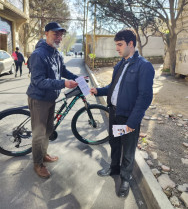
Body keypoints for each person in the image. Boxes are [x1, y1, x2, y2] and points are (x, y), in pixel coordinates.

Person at [90, 29, 155, 198]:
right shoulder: (120, 64)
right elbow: (113, 88)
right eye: (116, 45)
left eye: (119, 45)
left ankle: (125, 179)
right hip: (114, 113)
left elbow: (145, 98)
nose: (117, 48)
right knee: (115, 144)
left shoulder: (144, 66)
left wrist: (132, 122)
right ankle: (114, 169)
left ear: (131, 44)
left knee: (128, 150)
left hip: (128, 117)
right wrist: (98, 90)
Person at [27, 22, 78, 179]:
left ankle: (43, 154)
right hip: (39, 99)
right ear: (46, 34)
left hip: (51, 98)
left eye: (61, 34)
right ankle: (38, 163)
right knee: (39, 134)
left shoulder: (56, 53)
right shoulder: (38, 54)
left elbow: (63, 70)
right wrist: (63, 83)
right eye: (56, 34)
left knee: (49, 130)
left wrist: (77, 78)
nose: (59, 37)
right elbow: (38, 81)